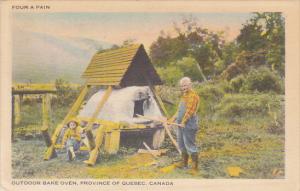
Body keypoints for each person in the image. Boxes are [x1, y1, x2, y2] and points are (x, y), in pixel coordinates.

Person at [170, 77, 200, 172]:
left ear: (190, 85)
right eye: (182, 86)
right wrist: (172, 119)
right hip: (181, 124)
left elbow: (189, 111)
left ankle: (195, 168)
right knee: (181, 144)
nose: (184, 88)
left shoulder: (193, 96)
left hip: (189, 124)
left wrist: (183, 122)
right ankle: (184, 164)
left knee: (189, 144)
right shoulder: (184, 95)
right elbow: (179, 111)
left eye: (185, 85)